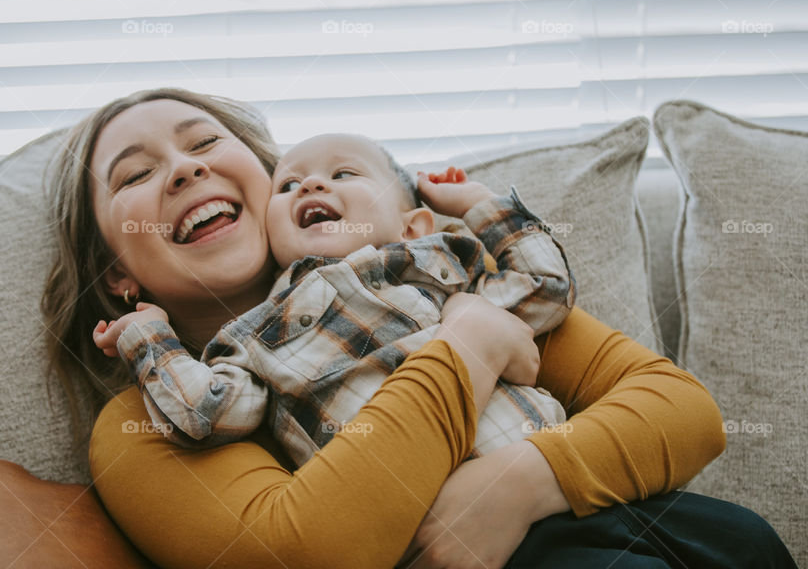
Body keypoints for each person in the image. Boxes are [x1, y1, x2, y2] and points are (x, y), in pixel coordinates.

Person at [42, 87, 795, 568]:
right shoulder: (146, 423)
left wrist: (518, 483)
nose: (182, 170)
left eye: (205, 144)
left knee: (747, 542)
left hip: (608, 519)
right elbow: (313, 549)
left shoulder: (421, 275)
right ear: (118, 275)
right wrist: (465, 343)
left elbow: (683, 410)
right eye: (136, 174)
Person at [93, 132, 574, 466]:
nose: (311, 184)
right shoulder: (255, 338)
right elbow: (208, 413)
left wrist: (478, 204)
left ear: (411, 227)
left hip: (574, 496)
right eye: (287, 186)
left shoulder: (441, 272)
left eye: (344, 173)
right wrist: (149, 335)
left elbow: (548, 289)